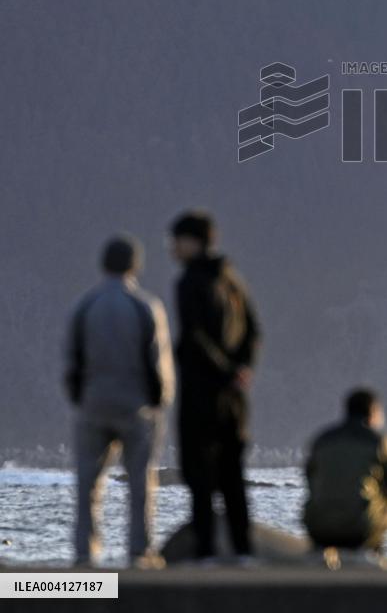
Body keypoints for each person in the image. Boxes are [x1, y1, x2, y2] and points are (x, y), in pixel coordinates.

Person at [63, 235, 175, 568]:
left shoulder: (84, 305)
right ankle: (139, 551)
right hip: (135, 405)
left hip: (94, 403)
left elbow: (72, 359)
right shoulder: (145, 306)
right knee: (140, 483)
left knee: (87, 483)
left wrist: (79, 397)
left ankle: (84, 552)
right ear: (134, 266)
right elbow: (156, 359)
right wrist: (160, 400)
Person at [169, 210, 262, 560]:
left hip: (201, 392)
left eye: (177, 241)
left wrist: (222, 371)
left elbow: (194, 337)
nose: (173, 249)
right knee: (233, 474)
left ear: (193, 242)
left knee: (200, 475)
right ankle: (243, 549)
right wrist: (241, 370)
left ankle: (205, 550)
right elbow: (254, 331)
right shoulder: (232, 281)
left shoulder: (190, 282)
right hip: (234, 397)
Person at [303, 388, 387, 552]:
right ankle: (376, 553)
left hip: (318, 528)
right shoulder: (379, 441)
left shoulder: (323, 439)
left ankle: (323, 553)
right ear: (373, 412)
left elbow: (310, 479)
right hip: (359, 530)